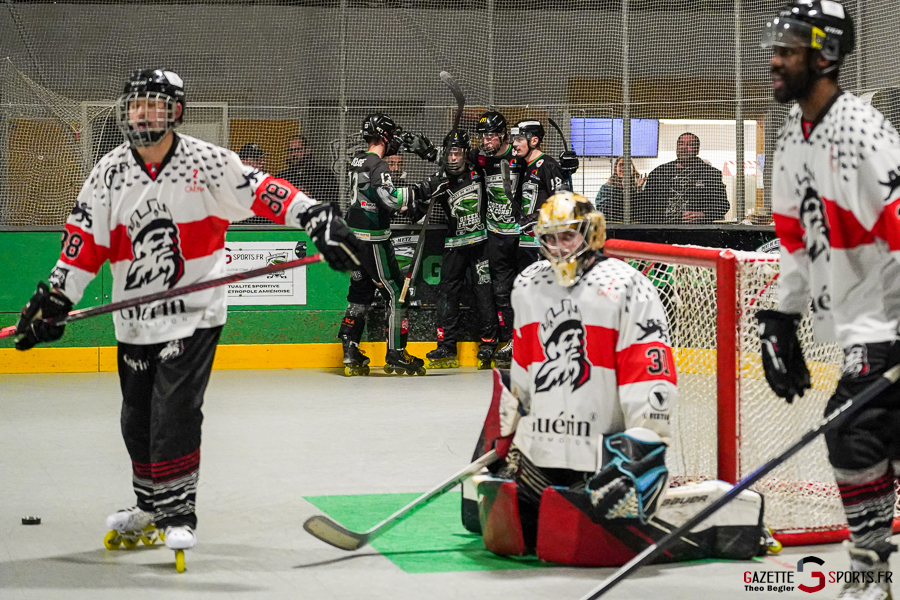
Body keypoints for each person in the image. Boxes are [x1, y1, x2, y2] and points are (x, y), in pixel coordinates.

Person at [11, 69, 359, 567]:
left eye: (153, 105)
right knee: (136, 419)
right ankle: (148, 506)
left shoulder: (206, 162)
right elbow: (83, 244)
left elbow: (264, 190)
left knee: (173, 412)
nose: (142, 114)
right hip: (134, 321)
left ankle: (178, 513)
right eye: (135, 106)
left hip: (195, 314)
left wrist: (317, 217)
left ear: (175, 111)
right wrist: (55, 299)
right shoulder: (109, 173)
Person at [758, 3, 900, 598]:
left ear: (825, 55)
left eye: (788, 49)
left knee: (853, 431)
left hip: (888, 319)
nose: (774, 60)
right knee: (864, 434)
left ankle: (869, 570)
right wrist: (779, 316)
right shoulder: (793, 136)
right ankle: (872, 566)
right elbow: (796, 242)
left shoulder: (862, 132)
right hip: (854, 324)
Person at [479, 191, 677, 554]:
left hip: (603, 455)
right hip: (543, 450)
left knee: (582, 548)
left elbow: (650, 378)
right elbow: (523, 369)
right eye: (549, 238)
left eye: (567, 236)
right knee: (510, 536)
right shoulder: (529, 285)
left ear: (591, 233)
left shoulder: (627, 287)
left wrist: (644, 449)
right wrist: (511, 429)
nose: (558, 248)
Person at [337, 112, 435, 376]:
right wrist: (424, 189)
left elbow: (372, 194)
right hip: (372, 240)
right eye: (391, 138)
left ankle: (349, 348)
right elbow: (390, 199)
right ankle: (396, 353)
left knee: (360, 293)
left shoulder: (357, 159)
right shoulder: (378, 166)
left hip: (353, 237)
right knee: (396, 293)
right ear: (383, 137)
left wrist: (408, 143)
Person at [418, 130, 498, 370]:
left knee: (484, 293)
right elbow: (417, 202)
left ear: (465, 154)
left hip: (481, 244)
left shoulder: (480, 173)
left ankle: (488, 344)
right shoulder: (441, 179)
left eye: (458, 153)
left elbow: (487, 155)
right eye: (449, 153)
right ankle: (446, 345)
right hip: (454, 245)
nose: (453, 158)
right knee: (446, 294)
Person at [471, 110, 517, 368]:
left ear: (502, 136)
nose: (486, 142)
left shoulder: (517, 156)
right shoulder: (481, 159)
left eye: (490, 137)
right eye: (483, 137)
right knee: (500, 292)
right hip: (495, 233)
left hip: (520, 236)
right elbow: (451, 158)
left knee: (525, 291)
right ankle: (509, 341)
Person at [508, 120, 567, 270]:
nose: (514, 144)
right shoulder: (522, 165)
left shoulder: (548, 165)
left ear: (534, 141)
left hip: (544, 246)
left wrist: (537, 217)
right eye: (514, 139)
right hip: (525, 243)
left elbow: (563, 203)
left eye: (519, 139)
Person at [642, 132, 728, 224]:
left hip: (697, 231)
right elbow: (646, 204)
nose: (684, 147)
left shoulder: (710, 174)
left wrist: (703, 215)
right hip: (664, 230)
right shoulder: (659, 173)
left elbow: (723, 205)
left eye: (689, 145)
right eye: (681, 144)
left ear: (697, 150)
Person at [276, 134, 340, 205]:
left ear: (307, 150)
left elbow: (333, 200)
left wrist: (310, 197)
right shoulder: (282, 177)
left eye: (297, 150)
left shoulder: (324, 174)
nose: (294, 154)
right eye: (290, 151)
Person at [594, 157, 647, 223]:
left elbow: (645, 209)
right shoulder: (607, 187)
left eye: (627, 165)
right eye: (621, 165)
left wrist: (638, 190)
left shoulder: (641, 185)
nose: (624, 168)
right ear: (616, 169)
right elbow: (602, 210)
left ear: (633, 169)